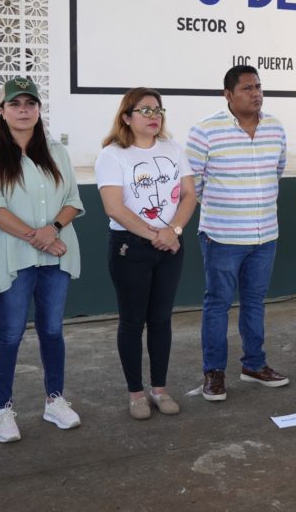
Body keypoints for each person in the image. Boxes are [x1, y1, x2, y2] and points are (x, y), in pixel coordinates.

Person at [0, 77, 84, 442]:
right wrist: (37, 238)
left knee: (52, 331)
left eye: (30, 104)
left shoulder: (55, 150)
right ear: (2, 111)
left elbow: (72, 199)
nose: (23, 110)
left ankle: (55, 400)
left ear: (38, 110)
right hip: (13, 257)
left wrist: (51, 230)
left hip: (56, 254)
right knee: (10, 334)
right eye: (15, 104)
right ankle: (2, 410)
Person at [187, 65, 289, 401]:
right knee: (217, 304)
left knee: (255, 303)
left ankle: (254, 365)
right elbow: (194, 185)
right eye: (247, 88)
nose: (256, 93)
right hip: (222, 237)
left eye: (258, 87)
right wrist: (228, 210)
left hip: (265, 237)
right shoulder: (205, 132)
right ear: (228, 95)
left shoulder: (274, 128)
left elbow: (275, 173)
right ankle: (214, 373)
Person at [95, 88, 196, 419]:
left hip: (171, 244)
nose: (154, 117)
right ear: (127, 117)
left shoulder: (173, 148)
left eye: (158, 111)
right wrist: (157, 234)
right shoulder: (112, 155)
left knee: (162, 319)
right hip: (130, 246)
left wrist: (174, 232)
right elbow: (114, 207)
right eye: (146, 111)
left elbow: (189, 196)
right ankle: (136, 393)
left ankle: (159, 389)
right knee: (132, 321)